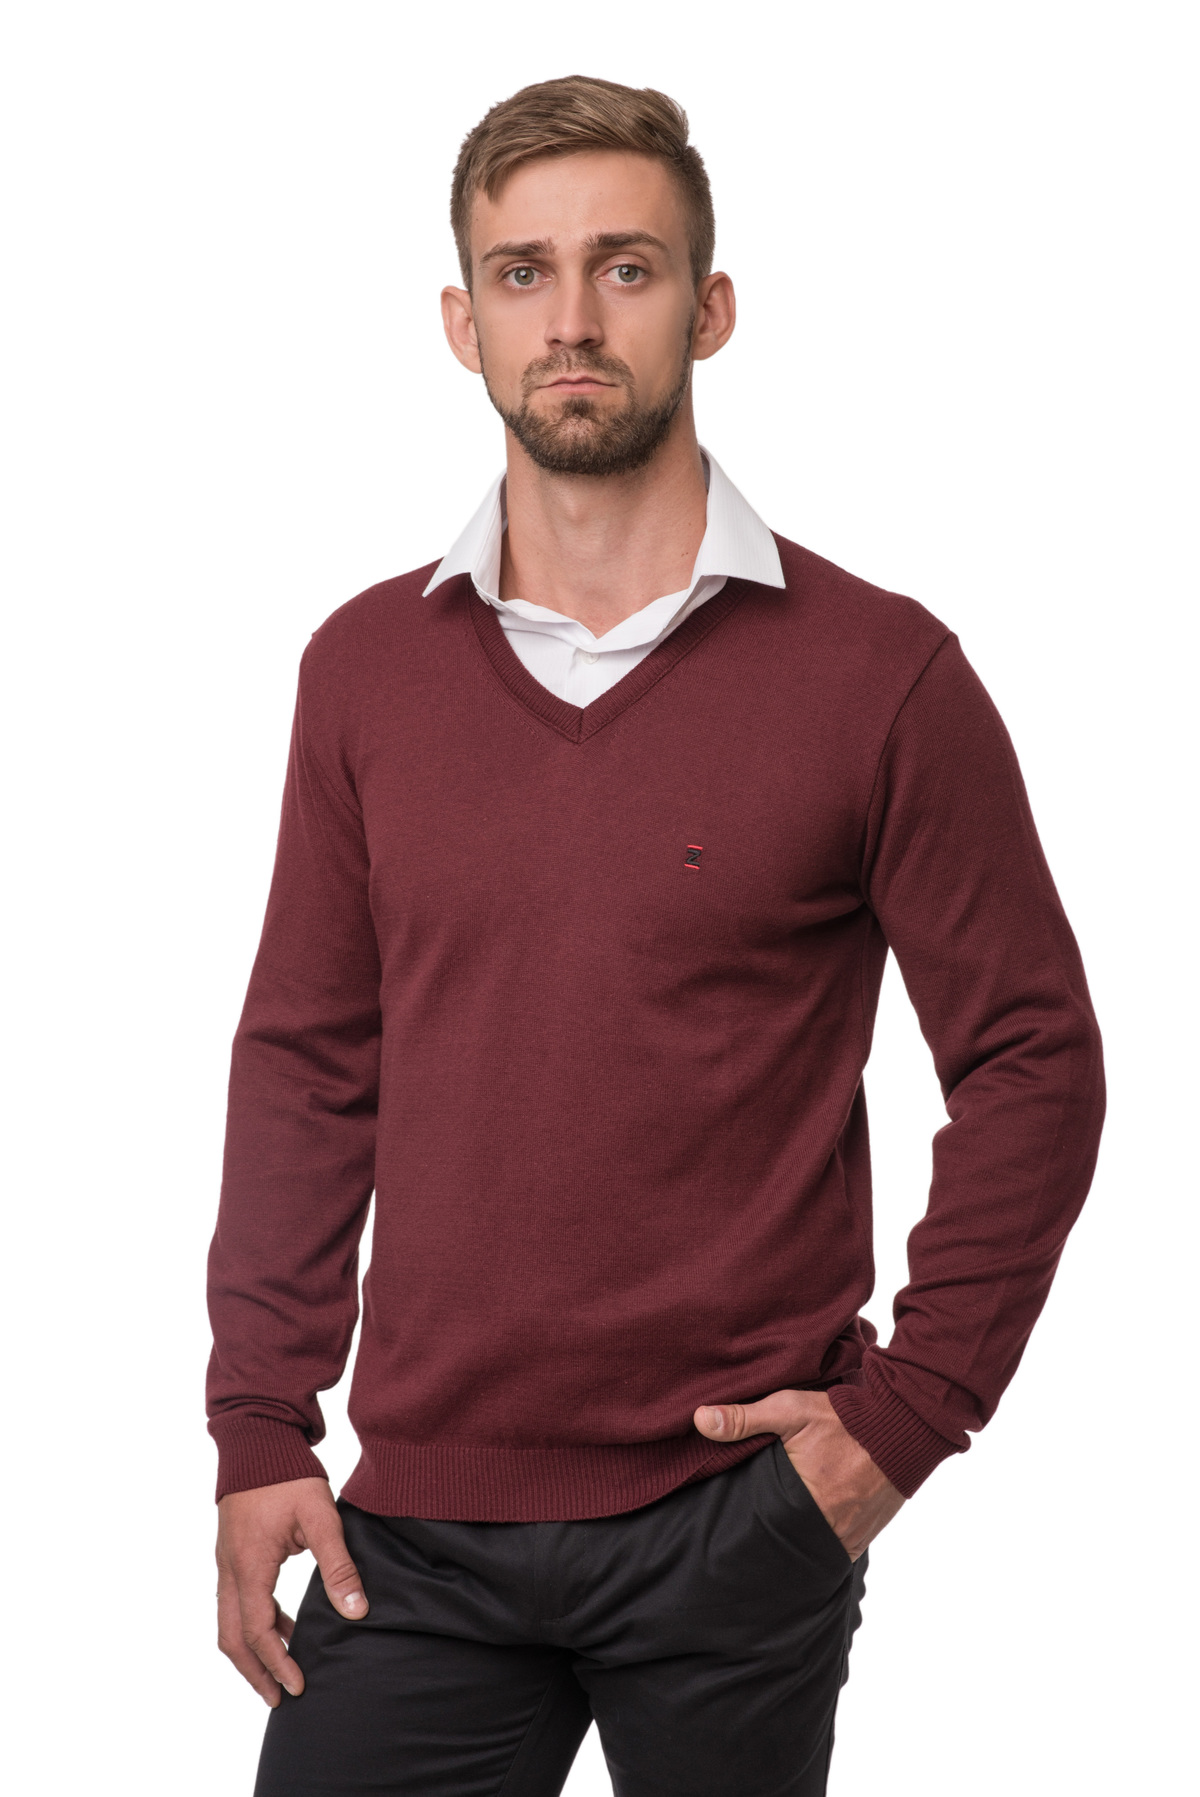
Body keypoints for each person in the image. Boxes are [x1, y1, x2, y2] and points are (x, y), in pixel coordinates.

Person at [207, 74, 1105, 1797]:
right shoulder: (364, 671)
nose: (572, 318)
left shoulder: (882, 675)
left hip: (736, 1516)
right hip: (417, 1528)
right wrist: (258, 1420)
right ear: (463, 324)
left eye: (624, 267)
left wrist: (902, 1423)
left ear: (709, 308)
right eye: (524, 273)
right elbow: (310, 1062)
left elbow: (1033, 1059)